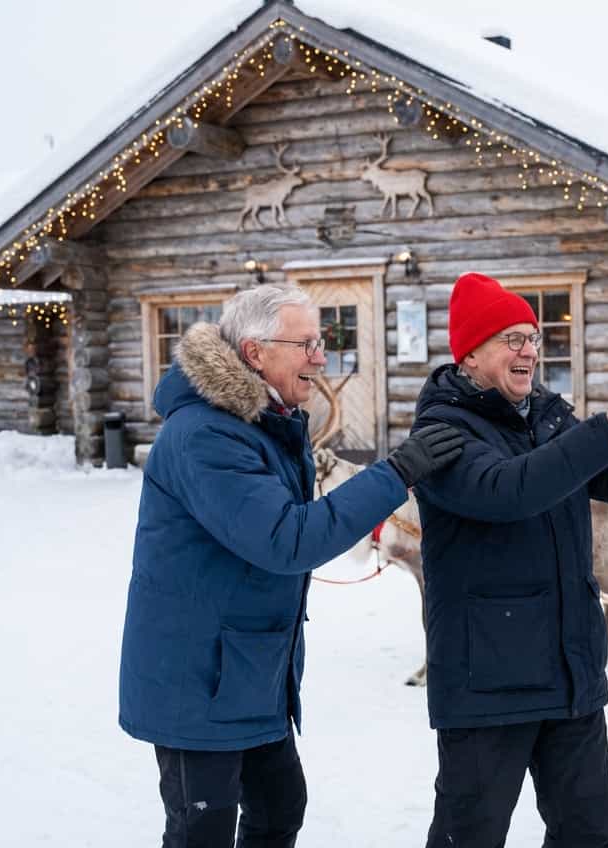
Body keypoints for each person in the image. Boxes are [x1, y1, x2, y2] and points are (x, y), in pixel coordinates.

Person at [118, 284, 464, 847]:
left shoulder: (266, 422)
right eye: (306, 343)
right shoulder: (206, 434)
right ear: (255, 353)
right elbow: (285, 538)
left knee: (279, 807)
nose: (319, 357)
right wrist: (396, 473)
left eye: (321, 342)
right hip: (198, 678)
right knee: (202, 830)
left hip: (249, 669)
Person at [410, 271, 608, 848]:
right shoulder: (442, 429)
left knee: (588, 832)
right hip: (487, 681)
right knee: (470, 835)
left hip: (570, 672)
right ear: (470, 353)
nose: (529, 351)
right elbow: (509, 490)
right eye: (511, 338)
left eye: (533, 338)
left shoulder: (545, 413)